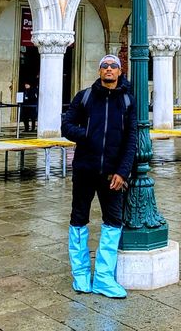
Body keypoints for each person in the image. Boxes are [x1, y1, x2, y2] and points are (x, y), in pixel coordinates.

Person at [62, 54, 137, 299]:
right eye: (104, 66)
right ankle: (81, 274)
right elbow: (67, 126)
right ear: (99, 71)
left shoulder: (127, 101)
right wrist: (87, 135)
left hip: (112, 175)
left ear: (119, 71)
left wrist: (122, 172)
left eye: (113, 66)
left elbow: (131, 140)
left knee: (113, 221)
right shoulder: (84, 97)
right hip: (85, 169)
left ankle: (104, 277)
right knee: (78, 219)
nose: (108, 69)